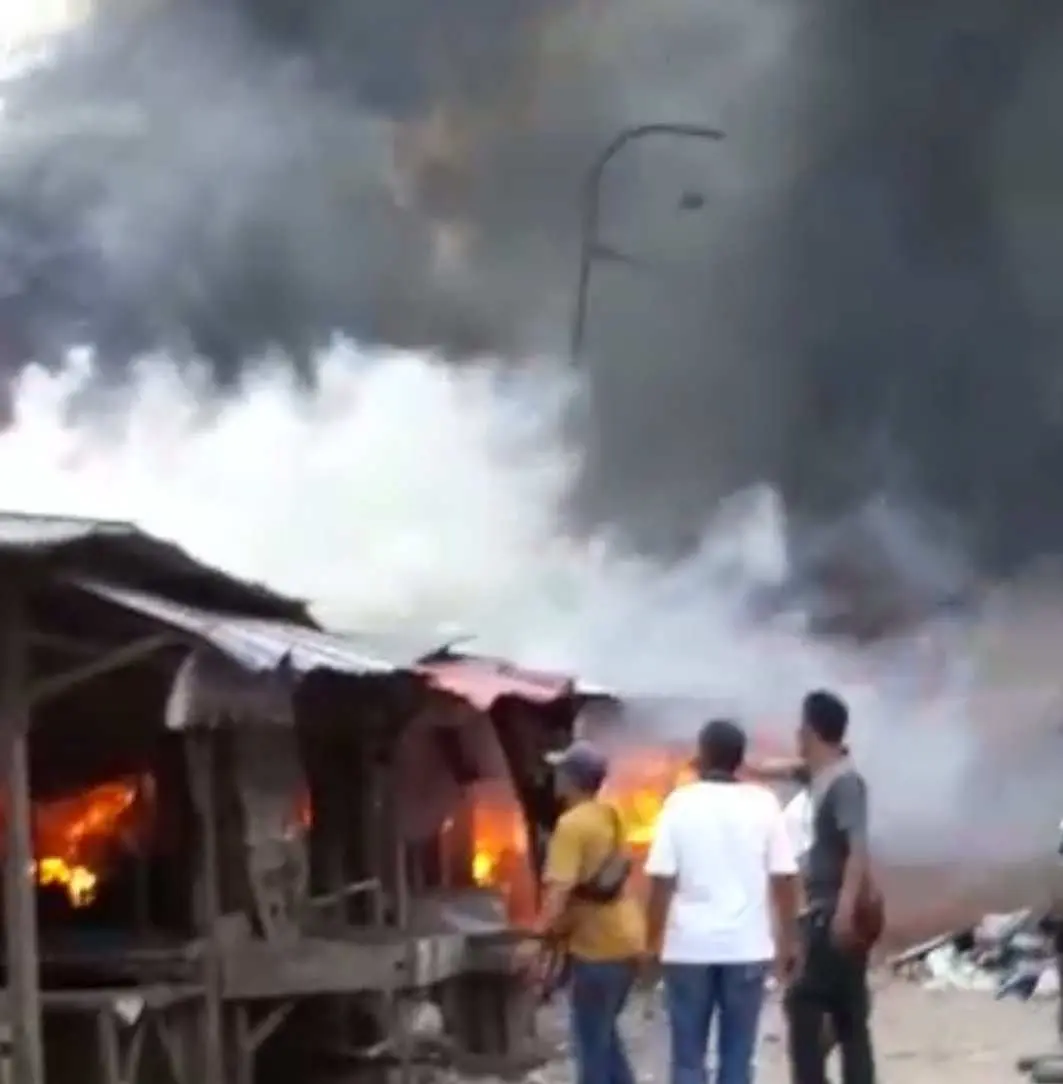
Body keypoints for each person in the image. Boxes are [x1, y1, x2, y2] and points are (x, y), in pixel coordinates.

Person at [645, 719, 801, 1084]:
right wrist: (788, 941)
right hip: (747, 949)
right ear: (739, 759)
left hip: (687, 950)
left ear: (701, 756)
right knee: (737, 1057)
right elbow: (784, 878)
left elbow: (661, 881)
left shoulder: (679, 804)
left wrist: (651, 943)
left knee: (687, 1059)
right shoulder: (764, 804)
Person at [533, 740, 645, 1084]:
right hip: (628, 940)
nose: (554, 778)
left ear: (570, 780)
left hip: (597, 950)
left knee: (590, 1047)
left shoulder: (571, 826)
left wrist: (534, 940)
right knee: (605, 1035)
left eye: (560, 772)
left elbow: (559, 893)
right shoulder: (611, 814)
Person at [784, 690, 879, 1084]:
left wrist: (843, 910)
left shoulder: (845, 783)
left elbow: (858, 848)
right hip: (827, 912)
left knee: (805, 1008)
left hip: (831, 914)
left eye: (800, 725)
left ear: (809, 730)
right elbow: (791, 770)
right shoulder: (825, 774)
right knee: (849, 1015)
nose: (795, 732)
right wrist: (747, 767)